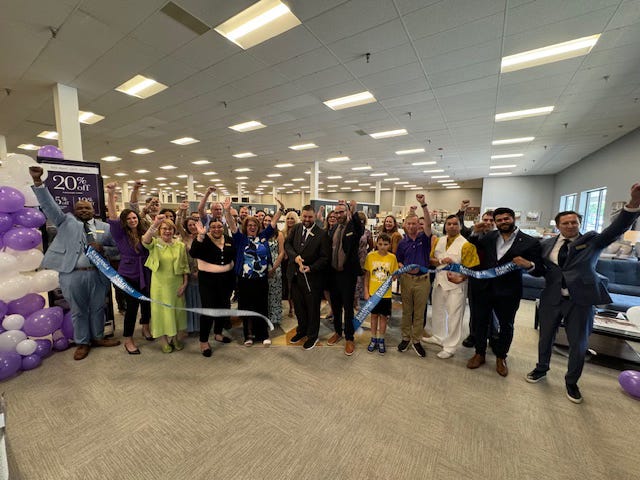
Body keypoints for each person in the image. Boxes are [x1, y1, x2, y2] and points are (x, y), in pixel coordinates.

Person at [523, 183, 640, 403]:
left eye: (574, 222)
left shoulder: (592, 241)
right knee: (545, 338)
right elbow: (541, 269)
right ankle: (541, 368)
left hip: (580, 300)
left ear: (579, 224)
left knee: (578, 344)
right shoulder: (546, 244)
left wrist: (633, 204)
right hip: (551, 298)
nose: (570, 225)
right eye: (565, 223)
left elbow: (616, 229)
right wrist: (528, 266)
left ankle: (571, 382)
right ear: (558, 225)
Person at [29, 166, 120, 360]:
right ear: (74, 210)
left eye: (87, 208)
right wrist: (38, 182)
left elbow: (118, 251)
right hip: (72, 275)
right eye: (80, 208)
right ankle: (82, 342)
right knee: (78, 310)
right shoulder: (65, 222)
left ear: (93, 210)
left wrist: (104, 249)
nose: (84, 210)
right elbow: (49, 205)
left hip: (98, 275)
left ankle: (98, 337)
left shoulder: (105, 228)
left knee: (98, 307)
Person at [466, 207, 542, 376]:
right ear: (495, 222)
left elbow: (539, 270)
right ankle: (479, 353)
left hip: (509, 292)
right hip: (484, 288)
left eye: (506, 219)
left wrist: (529, 265)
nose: (503, 222)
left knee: (506, 325)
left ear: (513, 219)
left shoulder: (530, 242)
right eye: (499, 220)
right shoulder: (489, 237)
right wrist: (475, 233)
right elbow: (473, 248)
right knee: (480, 322)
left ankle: (501, 357)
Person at [225, 197, 284, 346]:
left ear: (258, 227)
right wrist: (227, 210)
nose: (252, 227)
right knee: (247, 308)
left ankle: (263, 334)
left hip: (261, 279)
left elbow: (273, 223)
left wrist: (281, 209)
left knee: (262, 307)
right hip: (245, 280)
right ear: (246, 227)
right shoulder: (240, 239)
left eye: (255, 225)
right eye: (249, 225)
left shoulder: (263, 237)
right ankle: (248, 336)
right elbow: (232, 225)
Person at [106, 183, 152, 354]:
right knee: (132, 308)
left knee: (147, 303)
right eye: (129, 219)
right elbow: (112, 215)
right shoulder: (120, 233)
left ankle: (145, 327)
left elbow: (135, 206)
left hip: (146, 271)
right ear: (124, 222)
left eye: (134, 217)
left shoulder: (143, 231)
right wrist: (111, 194)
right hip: (129, 273)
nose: (133, 220)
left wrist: (136, 190)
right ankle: (128, 339)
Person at [427, 215, 479, 359]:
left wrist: (462, 277)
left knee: (454, 316)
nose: (452, 226)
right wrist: (440, 261)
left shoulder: (466, 245)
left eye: (455, 224)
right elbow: (431, 260)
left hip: (457, 285)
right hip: (439, 282)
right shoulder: (439, 241)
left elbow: (472, 267)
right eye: (449, 224)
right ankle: (438, 336)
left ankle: (450, 347)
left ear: (460, 226)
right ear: (445, 226)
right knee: (437, 311)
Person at [142, 214, 190, 353]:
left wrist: (184, 284)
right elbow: (145, 241)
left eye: (170, 229)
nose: (167, 231)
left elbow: (184, 266)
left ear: (174, 231)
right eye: (164, 229)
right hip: (159, 286)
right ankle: (163, 341)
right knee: (161, 313)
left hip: (176, 284)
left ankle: (175, 338)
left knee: (176, 312)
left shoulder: (180, 245)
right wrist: (155, 224)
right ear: (159, 230)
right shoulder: (154, 243)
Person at [285, 204, 331, 350]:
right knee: (299, 307)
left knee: (312, 309)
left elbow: (325, 258)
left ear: (314, 217)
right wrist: (295, 257)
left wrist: (311, 268)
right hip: (295, 276)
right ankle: (302, 330)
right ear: (301, 216)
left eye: (310, 217)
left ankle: (312, 336)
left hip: (312, 278)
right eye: (304, 216)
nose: (306, 219)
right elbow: (287, 244)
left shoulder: (322, 234)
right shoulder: (296, 228)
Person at [189, 219, 236, 357]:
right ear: (209, 228)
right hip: (208, 280)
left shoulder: (228, 239)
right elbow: (193, 253)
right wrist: (200, 236)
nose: (217, 229)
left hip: (226, 279)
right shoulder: (203, 239)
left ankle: (218, 333)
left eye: (219, 226)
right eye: (213, 227)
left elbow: (233, 255)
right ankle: (203, 341)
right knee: (208, 310)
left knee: (223, 307)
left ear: (223, 227)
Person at [395, 194, 433, 358]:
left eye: (414, 223)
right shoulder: (402, 242)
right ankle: (405, 338)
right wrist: (401, 267)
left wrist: (423, 205)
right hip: (407, 280)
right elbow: (399, 260)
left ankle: (416, 340)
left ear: (419, 225)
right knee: (406, 311)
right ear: (405, 225)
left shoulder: (425, 238)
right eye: (409, 223)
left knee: (419, 312)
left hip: (423, 280)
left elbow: (429, 223)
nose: (411, 226)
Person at [327, 200, 364, 356]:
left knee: (348, 307)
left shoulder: (352, 227)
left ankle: (349, 337)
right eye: (336, 212)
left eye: (341, 212)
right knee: (335, 306)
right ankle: (338, 332)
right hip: (333, 273)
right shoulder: (334, 228)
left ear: (347, 212)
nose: (338, 215)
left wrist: (354, 212)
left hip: (347, 274)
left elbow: (360, 229)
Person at [461, 210, 496, 348]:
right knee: (475, 308)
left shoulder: (500, 236)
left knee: (493, 310)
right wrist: (475, 232)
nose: (488, 223)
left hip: (494, 278)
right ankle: (473, 334)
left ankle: (493, 336)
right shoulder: (475, 234)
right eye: (485, 220)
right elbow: (468, 248)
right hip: (476, 277)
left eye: (491, 220)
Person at [364, 233, 399, 355]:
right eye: (380, 244)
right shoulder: (370, 256)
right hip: (373, 294)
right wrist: (366, 291)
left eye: (385, 244)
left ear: (389, 245)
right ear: (376, 244)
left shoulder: (392, 258)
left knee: (384, 318)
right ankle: (373, 338)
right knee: (373, 317)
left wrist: (396, 275)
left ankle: (381, 339)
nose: (382, 246)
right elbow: (367, 275)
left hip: (386, 295)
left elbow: (394, 276)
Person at [263, 214, 285, 326]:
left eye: (269, 220)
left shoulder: (279, 234)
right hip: (262, 265)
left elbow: (281, 252)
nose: (267, 222)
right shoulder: (260, 234)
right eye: (265, 220)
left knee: (275, 293)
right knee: (264, 293)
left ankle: (275, 317)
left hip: (275, 266)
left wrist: (273, 268)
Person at [354, 211, 374, 310]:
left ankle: (357, 300)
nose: (360, 222)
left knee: (360, 280)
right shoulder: (352, 230)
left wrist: (365, 252)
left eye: (362, 220)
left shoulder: (367, 232)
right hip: (353, 257)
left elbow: (371, 245)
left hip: (362, 258)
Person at [282, 210, 300, 318]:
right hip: (285, 263)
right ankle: (291, 307)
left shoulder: (300, 232)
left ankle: (298, 307)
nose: (290, 220)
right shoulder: (282, 232)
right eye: (288, 218)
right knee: (288, 287)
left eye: (292, 218)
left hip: (296, 262)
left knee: (297, 287)